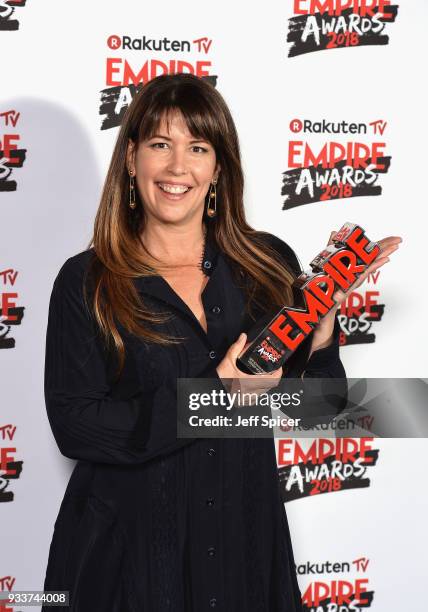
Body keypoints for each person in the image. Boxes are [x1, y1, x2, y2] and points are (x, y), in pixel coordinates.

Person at [41, 73, 401, 612]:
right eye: (160, 145)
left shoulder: (267, 266)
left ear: (218, 167)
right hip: (127, 566)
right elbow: (77, 427)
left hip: (244, 555)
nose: (177, 167)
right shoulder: (86, 280)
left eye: (198, 147)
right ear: (131, 157)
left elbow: (318, 407)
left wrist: (323, 337)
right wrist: (217, 394)